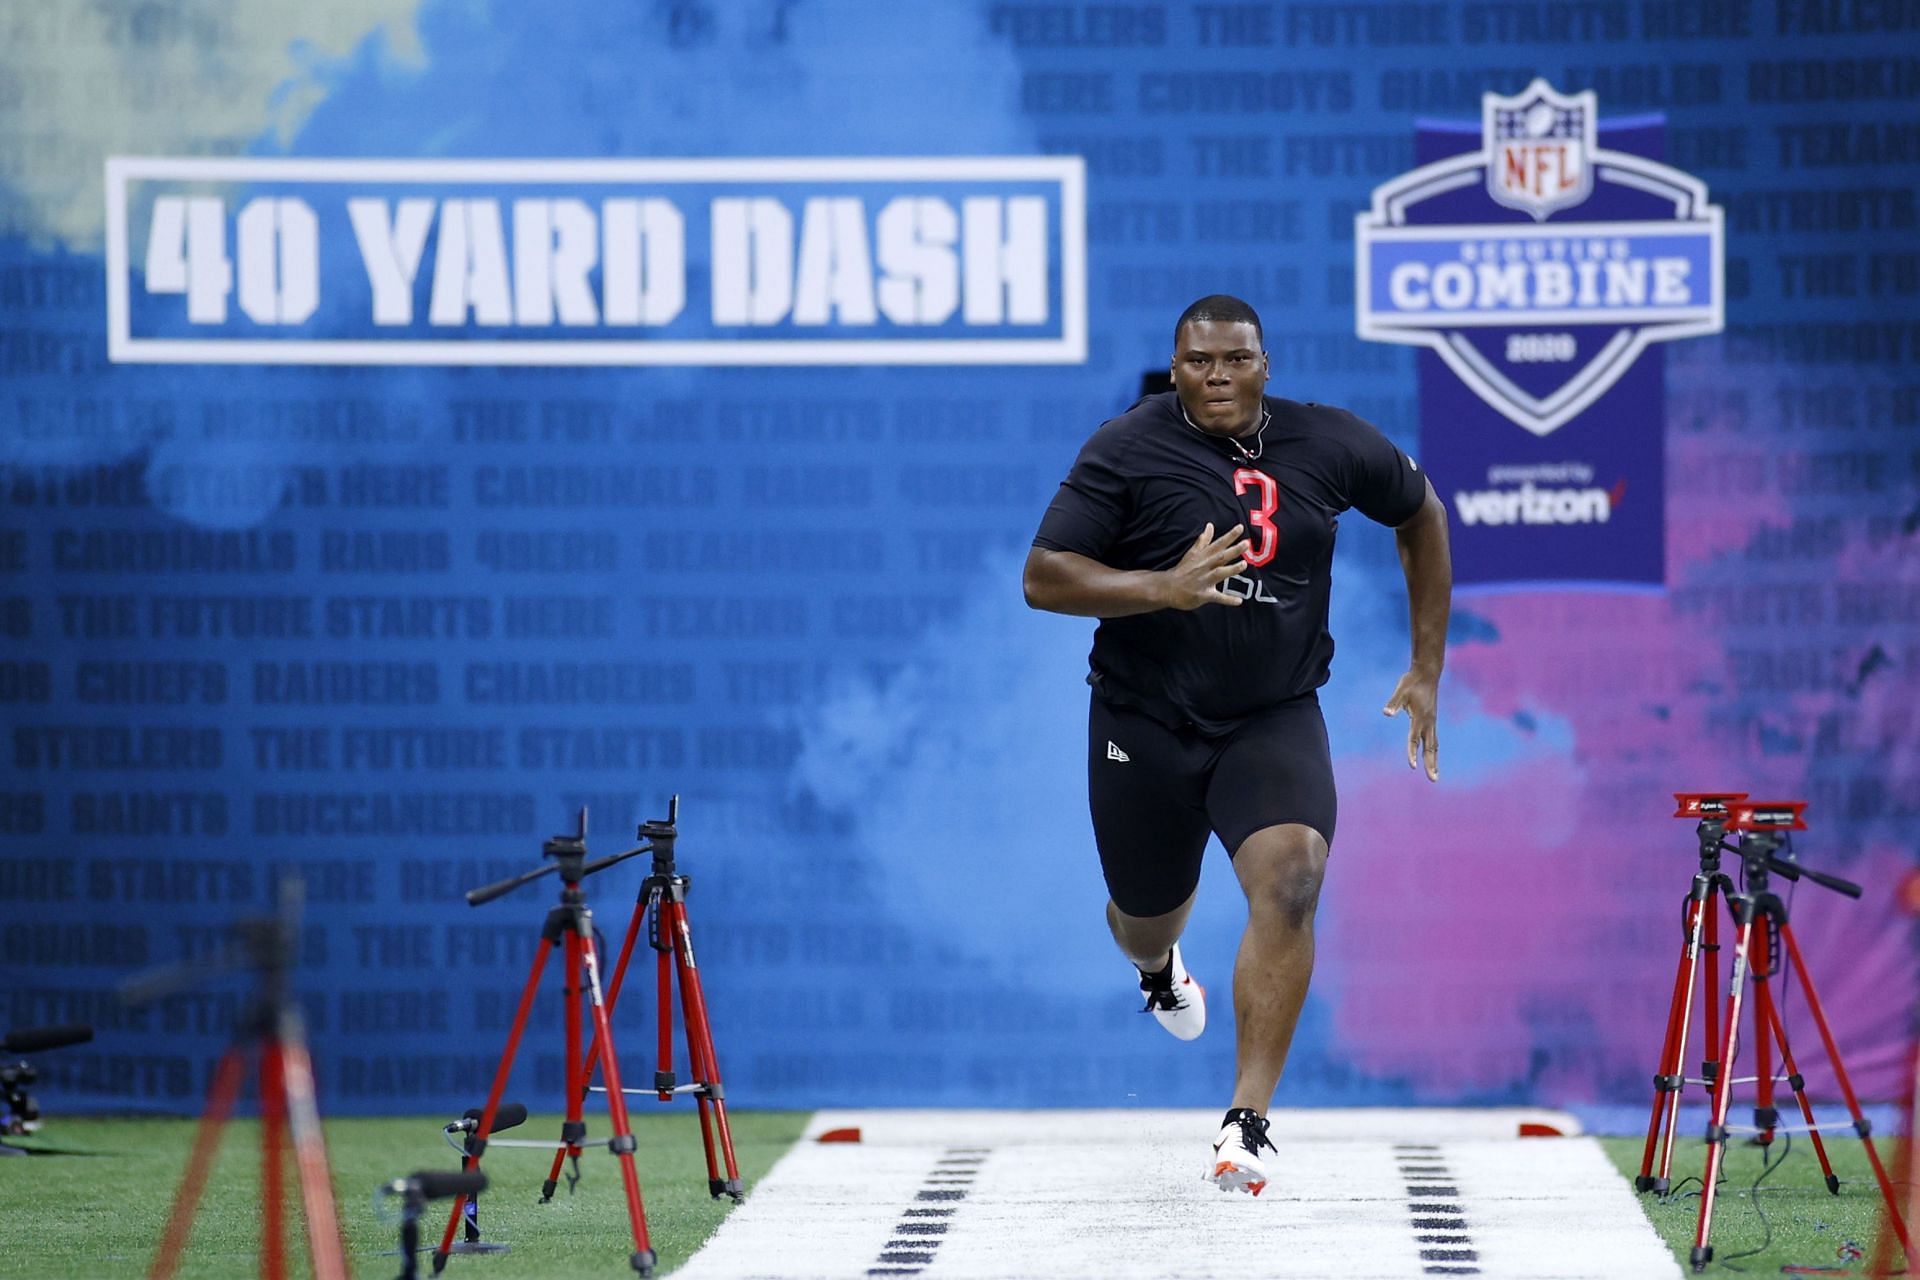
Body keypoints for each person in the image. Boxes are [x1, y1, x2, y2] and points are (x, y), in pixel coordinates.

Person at [1022, 294, 1451, 1195]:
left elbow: (1420, 512)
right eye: (1198, 362)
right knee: (1146, 916)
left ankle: (1246, 1123)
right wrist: (1161, 587)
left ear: (1265, 364)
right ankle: (1156, 971)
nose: (1217, 376)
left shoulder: (1328, 441)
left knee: (1293, 876)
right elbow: (1044, 576)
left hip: (1271, 714)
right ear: (1175, 368)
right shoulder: (1126, 445)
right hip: (1144, 718)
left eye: (1235, 360)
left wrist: (1425, 666)